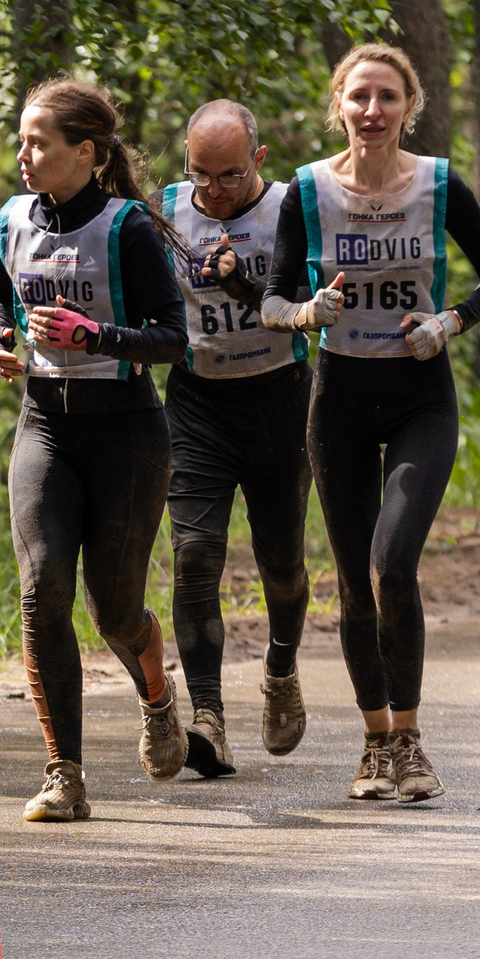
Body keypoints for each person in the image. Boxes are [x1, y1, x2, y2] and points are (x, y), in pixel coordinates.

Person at [261, 45, 480, 802]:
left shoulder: (438, 184)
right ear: (338, 104)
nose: (373, 111)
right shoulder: (306, 191)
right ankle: (375, 744)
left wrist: (451, 321)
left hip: (419, 397)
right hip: (337, 396)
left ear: (409, 107)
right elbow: (271, 302)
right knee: (353, 581)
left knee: (392, 562)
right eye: (359, 97)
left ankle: (411, 739)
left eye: (387, 98)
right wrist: (307, 312)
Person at [0, 80, 191, 823]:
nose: (24, 154)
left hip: (127, 434)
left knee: (113, 611)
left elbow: (173, 339)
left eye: (39, 142)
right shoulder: (9, 220)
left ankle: (157, 696)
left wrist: (93, 335)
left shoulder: (127, 228)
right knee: (41, 596)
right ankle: (63, 773)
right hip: (44, 428)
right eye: (21, 139)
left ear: (86, 153)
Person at [159, 99, 312, 776]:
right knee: (195, 556)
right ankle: (207, 718)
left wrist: (245, 285)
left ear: (259, 160)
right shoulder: (167, 212)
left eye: (228, 175)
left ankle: (280, 670)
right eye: (201, 175)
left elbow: (309, 311)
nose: (214, 192)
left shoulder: (292, 207)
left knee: (280, 562)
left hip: (281, 397)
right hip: (198, 403)